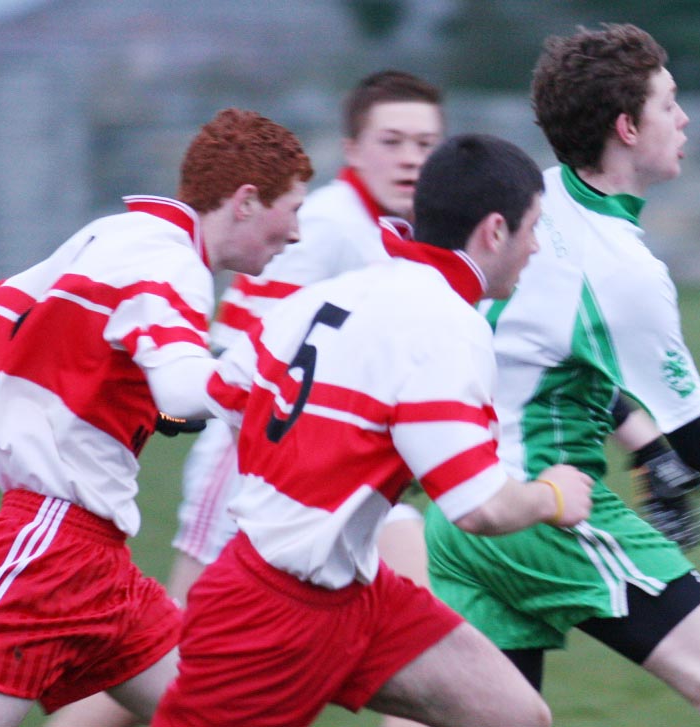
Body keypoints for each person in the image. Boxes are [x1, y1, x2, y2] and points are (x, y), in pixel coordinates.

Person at [424, 24, 700, 726]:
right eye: (669, 103)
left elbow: (537, 358)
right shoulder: (621, 270)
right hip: (546, 513)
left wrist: (639, 441)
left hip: (457, 508)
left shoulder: (530, 202)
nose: (684, 117)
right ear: (627, 127)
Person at [44, 67, 446, 727]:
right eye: (392, 140)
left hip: (331, 469)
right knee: (174, 653)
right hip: (248, 458)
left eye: (425, 144)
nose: (409, 158)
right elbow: (239, 345)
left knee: (421, 646)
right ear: (351, 148)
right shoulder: (328, 225)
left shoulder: (383, 229)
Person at [150, 133, 594, 727]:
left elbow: (211, 398)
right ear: (493, 231)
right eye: (532, 227)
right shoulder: (445, 325)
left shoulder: (331, 296)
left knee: (513, 714)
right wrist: (556, 495)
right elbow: (479, 507)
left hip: (357, 595)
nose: (536, 247)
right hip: (267, 615)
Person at [0, 108, 313, 727]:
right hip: (46, 550)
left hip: (100, 563)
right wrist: (265, 357)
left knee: (225, 713)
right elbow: (183, 391)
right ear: (247, 200)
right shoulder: (175, 265)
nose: (298, 233)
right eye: (294, 209)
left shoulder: (115, 234)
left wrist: (105, 390)